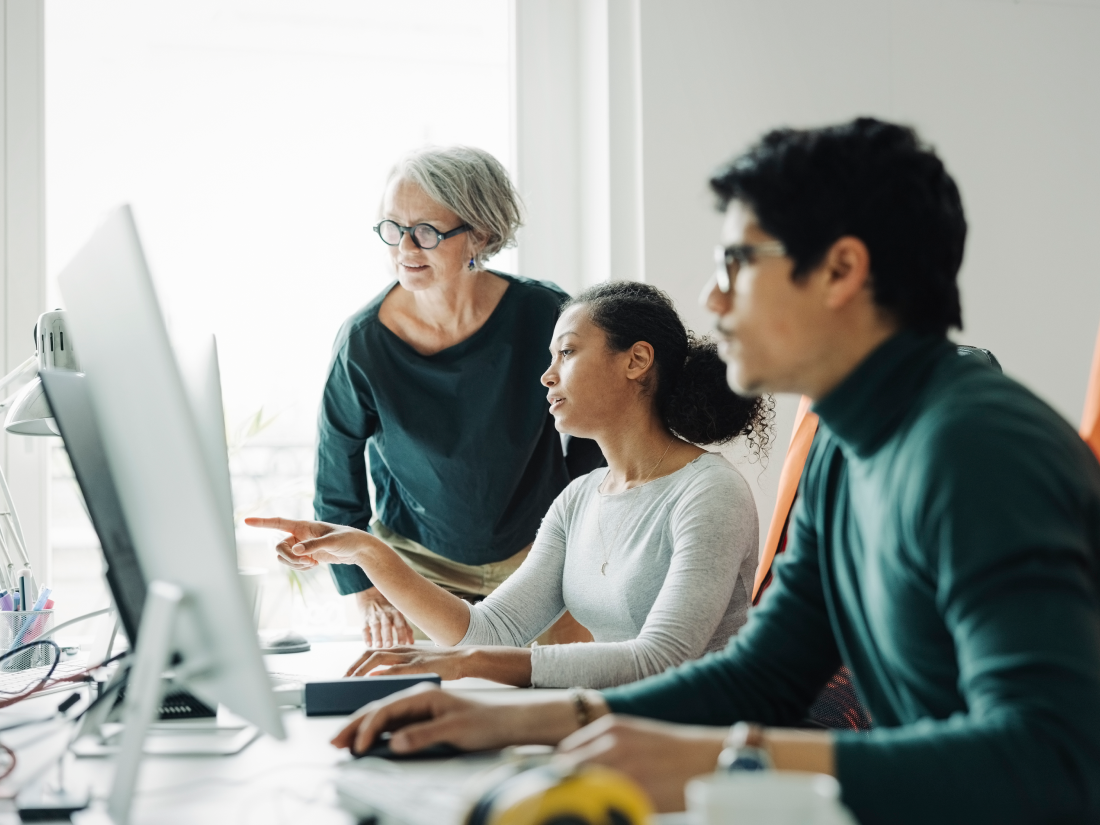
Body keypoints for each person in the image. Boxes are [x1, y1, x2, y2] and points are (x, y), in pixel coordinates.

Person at [323, 119, 1100, 825]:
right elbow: (760, 674)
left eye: (739, 261)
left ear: (840, 270)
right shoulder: (843, 448)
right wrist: (517, 717)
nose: (711, 295)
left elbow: (1052, 762)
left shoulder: (979, 452)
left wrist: (704, 758)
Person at [250, 282, 770, 688]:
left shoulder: (708, 492)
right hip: (611, 725)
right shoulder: (578, 500)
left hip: (700, 739)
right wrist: (367, 553)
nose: (547, 376)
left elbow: (661, 660)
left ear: (635, 361)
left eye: (566, 353)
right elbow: (487, 631)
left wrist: (474, 665)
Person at [313, 145, 602, 648]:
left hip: (540, 562)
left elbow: (591, 439)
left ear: (480, 234)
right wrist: (365, 590)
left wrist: (581, 552)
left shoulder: (545, 313)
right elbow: (337, 478)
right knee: (438, 712)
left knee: (552, 709)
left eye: (425, 231)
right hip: (418, 571)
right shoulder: (362, 342)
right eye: (391, 228)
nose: (404, 248)